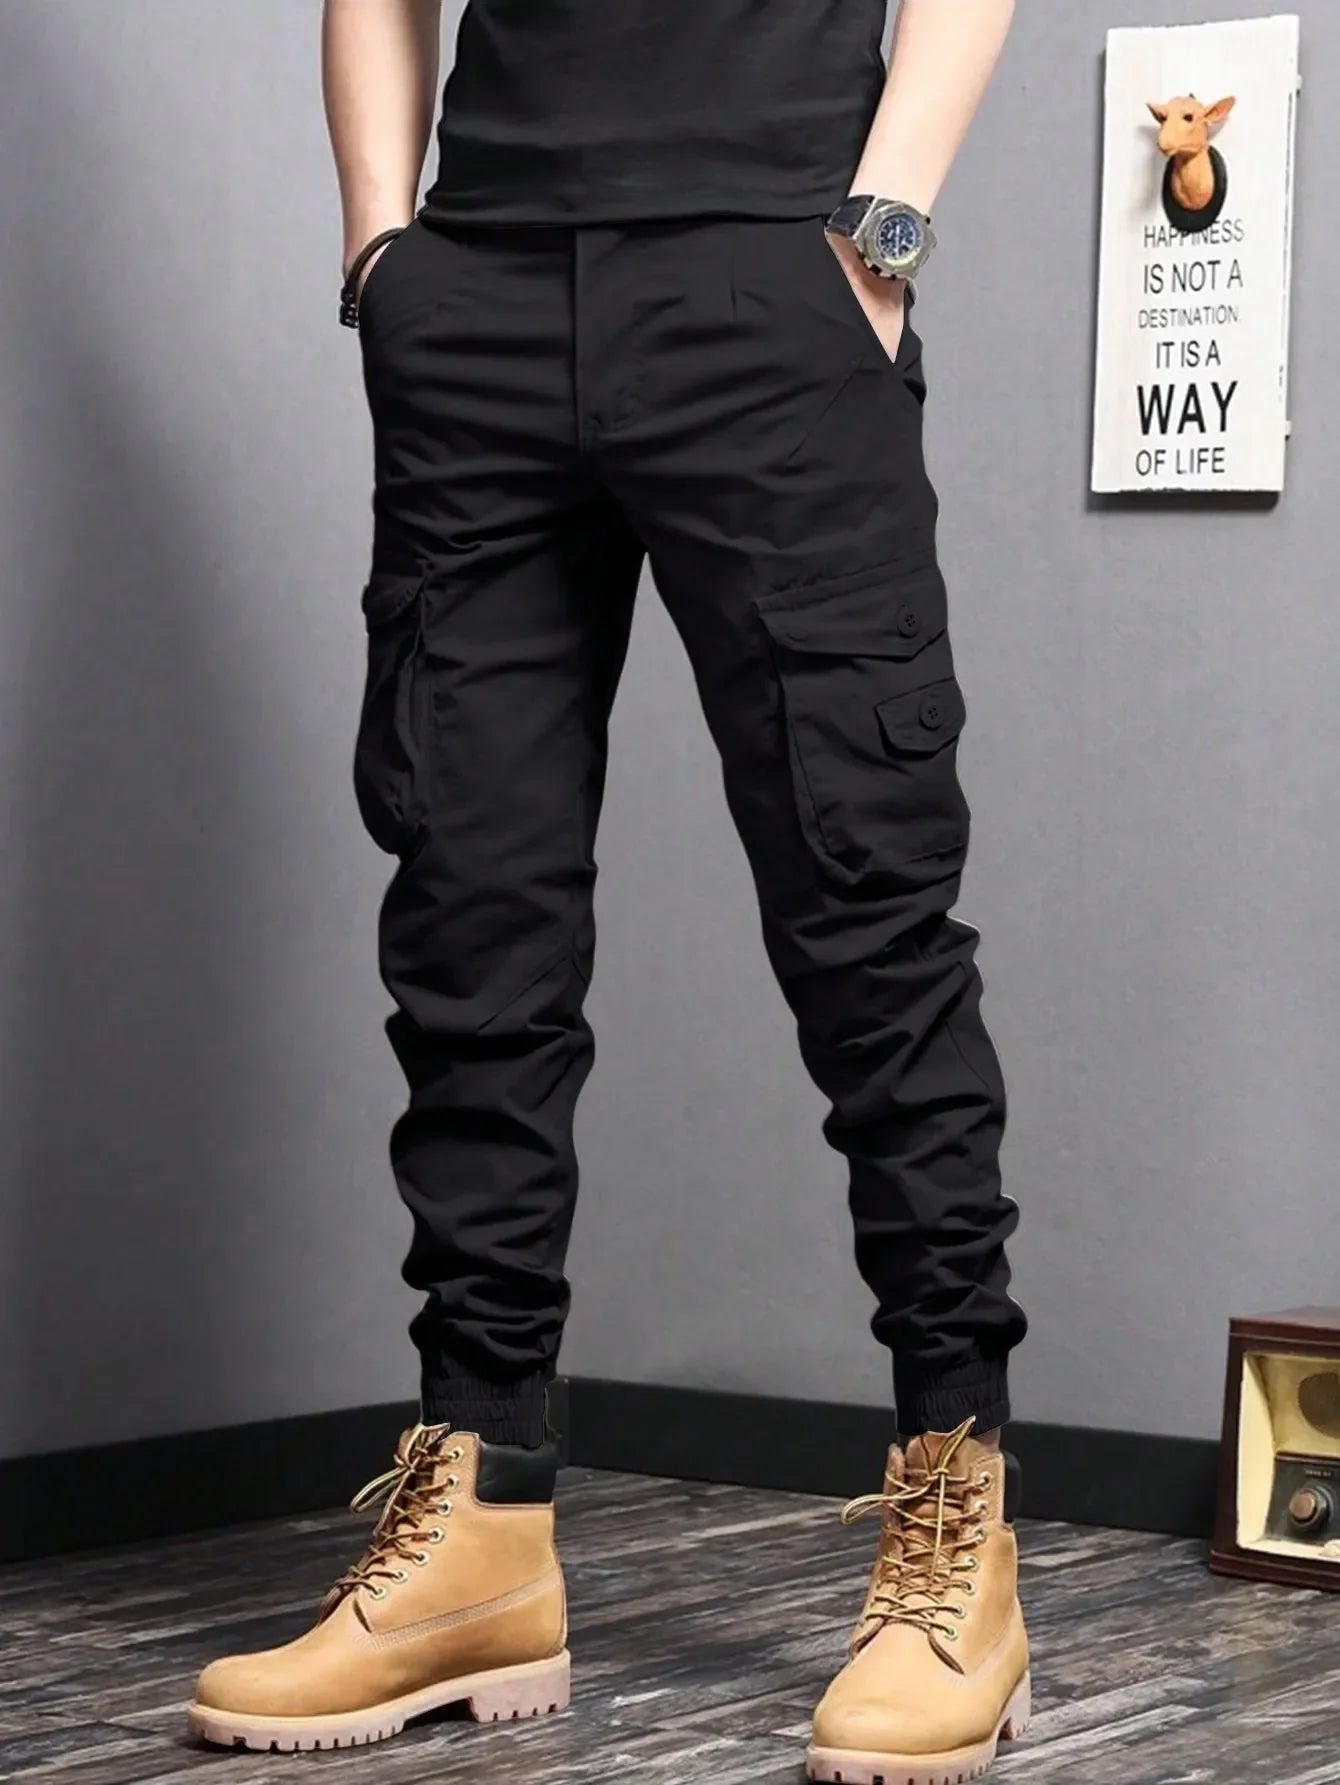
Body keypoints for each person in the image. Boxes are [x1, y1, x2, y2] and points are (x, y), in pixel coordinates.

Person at [187, 2, 1030, 1777]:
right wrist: (381, 256)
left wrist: (878, 234)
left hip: (774, 270)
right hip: (480, 291)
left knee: (869, 908)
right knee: (468, 919)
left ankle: (960, 1509)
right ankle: (480, 1522)